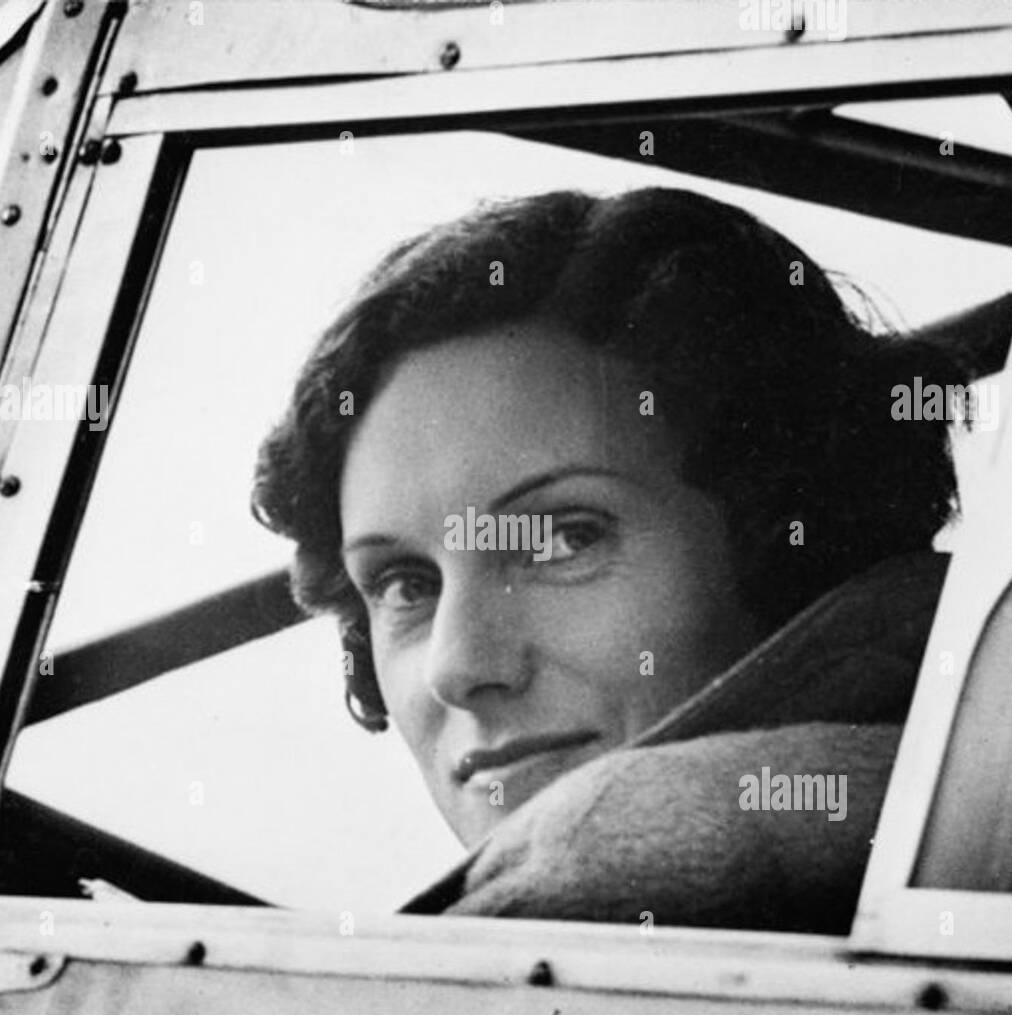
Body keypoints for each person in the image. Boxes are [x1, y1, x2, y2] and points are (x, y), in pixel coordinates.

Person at [251, 187, 964, 933]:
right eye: (406, 584)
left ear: (794, 532)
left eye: (563, 540)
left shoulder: (596, 867)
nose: (457, 667)